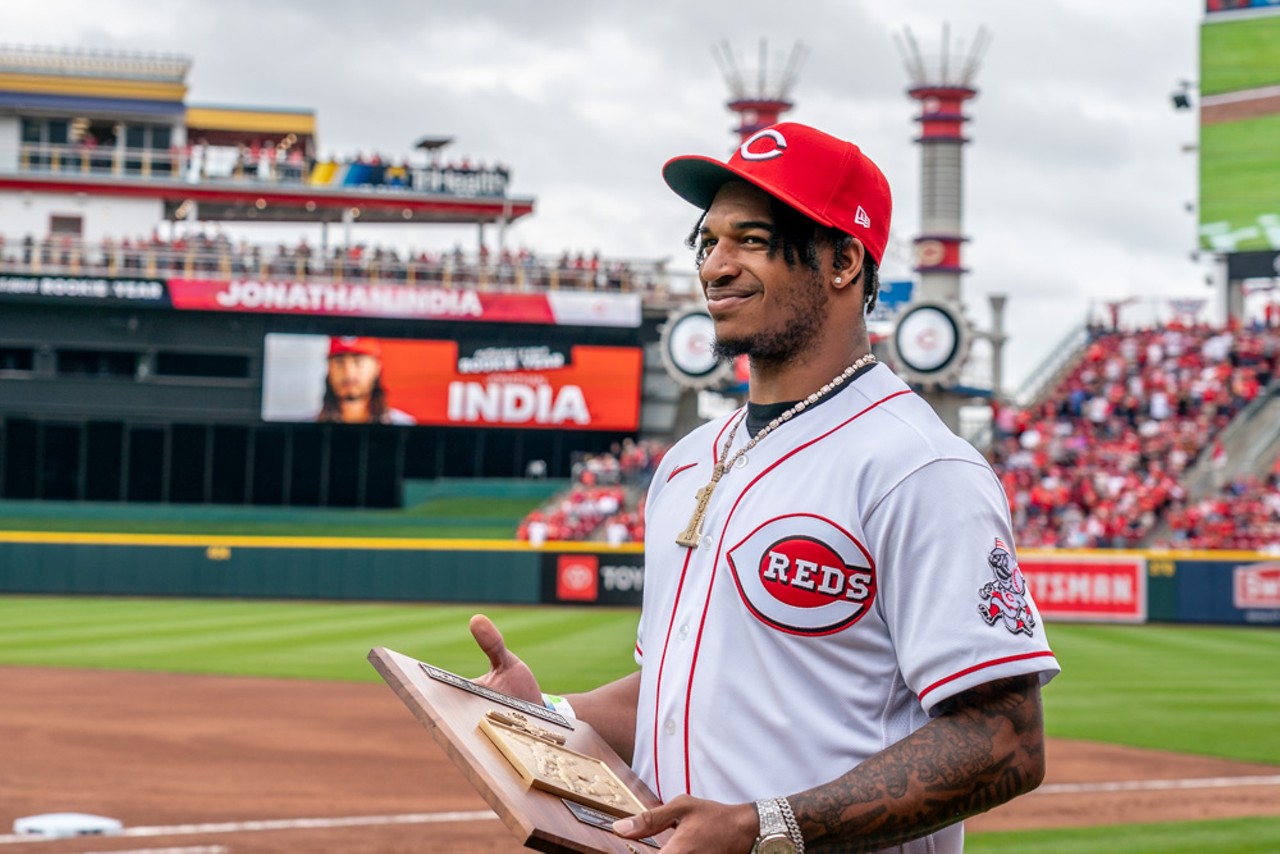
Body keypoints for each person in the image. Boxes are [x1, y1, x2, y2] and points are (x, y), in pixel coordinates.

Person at [468, 122, 1059, 853]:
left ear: (843, 261)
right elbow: (677, 697)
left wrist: (763, 828)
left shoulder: (919, 468)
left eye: (751, 239)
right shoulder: (686, 462)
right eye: (708, 241)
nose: (716, 265)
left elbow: (1004, 742)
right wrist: (550, 713)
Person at [316, 336, 415, 424]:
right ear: (329, 368)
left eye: (358, 361)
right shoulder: (305, 432)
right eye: (339, 362)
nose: (349, 373)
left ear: (376, 367)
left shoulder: (403, 426)